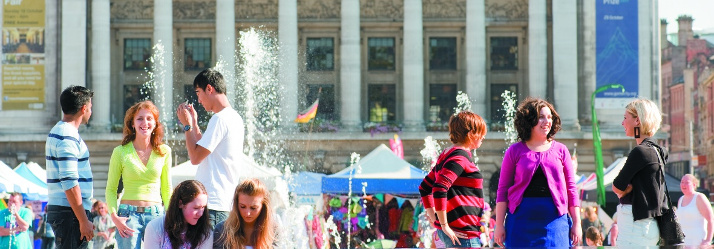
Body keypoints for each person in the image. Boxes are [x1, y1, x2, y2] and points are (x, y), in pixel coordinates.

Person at [494, 97, 581, 247]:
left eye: (549, 117)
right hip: (520, 223)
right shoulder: (513, 151)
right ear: (529, 120)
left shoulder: (562, 150)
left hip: (555, 223)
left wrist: (577, 223)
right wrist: (499, 225)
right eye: (541, 117)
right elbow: (502, 191)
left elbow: (571, 190)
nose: (546, 121)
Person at [177, 68, 245, 228]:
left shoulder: (220, 119)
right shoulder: (234, 117)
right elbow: (205, 150)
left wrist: (186, 126)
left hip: (213, 203)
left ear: (209, 88)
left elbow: (195, 157)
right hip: (224, 202)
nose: (198, 100)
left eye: (198, 92)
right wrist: (194, 124)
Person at [106, 100, 172, 249]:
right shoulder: (120, 152)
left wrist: (170, 215)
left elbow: (167, 188)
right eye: (140, 118)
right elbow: (111, 189)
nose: (145, 123)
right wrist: (114, 217)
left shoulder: (164, 151)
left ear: (155, 124)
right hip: (127, 217)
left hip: (156, 215)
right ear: (132, 124)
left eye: (149, 118)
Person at [419, 111, 488, 248]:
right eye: (481, 133)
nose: (483, 137)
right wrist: (442, 225)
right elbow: (439, 188)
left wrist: (436, 222)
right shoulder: (460, 156)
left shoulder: (448, 154)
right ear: (471, 134)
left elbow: (425, 187)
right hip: (463, 233)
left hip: (458, 232)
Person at [612, 98, 668, 246]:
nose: (622, 123)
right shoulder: (659, 151)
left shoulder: (640, 152)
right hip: (650, 226)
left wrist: (626, 190)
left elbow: (617, 187)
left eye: (625, 118)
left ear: (637, 120)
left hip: (634, 226)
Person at [45, 85, 95, 249]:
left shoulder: (58, 131)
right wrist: (83, 220)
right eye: (90, 107)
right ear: (83, 108)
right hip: (70, 213)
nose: (91, 112)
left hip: (65, 211)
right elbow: (69, 181)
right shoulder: (67, 135)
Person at [144, 180, 213, 249]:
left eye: (203, 207)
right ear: (180, 204)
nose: (200, 214)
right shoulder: (155, 227)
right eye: (196, 208)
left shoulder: (205, 232)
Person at [213, 178, 276, 249]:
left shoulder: (273, 230)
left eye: (253, 208)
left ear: (263, 206)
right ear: (236, 204)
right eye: (242, 206)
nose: (247, 213)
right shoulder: (222, 230)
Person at [677, 174, 714, 245]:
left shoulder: (699, 197)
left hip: (697, 241)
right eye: (682, 182)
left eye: (687, 182)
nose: (683, 185)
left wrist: (708, 240)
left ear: (694, 185)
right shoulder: (680, 199)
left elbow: (711, 220)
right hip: (683, 242)